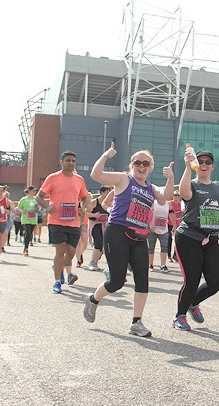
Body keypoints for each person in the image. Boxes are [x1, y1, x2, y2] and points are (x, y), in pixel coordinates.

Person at [83, 142, 174, 337]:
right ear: (132, 165)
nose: (142, 166)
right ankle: (93, 299)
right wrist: (106, 155)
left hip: (139, 237)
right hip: (117, 233)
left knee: (143, 281)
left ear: (150, 167)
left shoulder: (151, 188)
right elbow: (96, 175)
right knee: (116, 282)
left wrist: (170, 177)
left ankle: (136, 322)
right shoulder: (124, 179)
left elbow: (164, 198)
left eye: (146, 163)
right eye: (138, 162)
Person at [172, 149, 219, 330]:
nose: (204, 164)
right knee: (192, 279)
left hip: (210, 239)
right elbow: (185, 193)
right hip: (189, 237)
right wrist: (188, 166)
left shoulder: (218, 187)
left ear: (212, 166)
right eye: (201, 161)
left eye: (207, 162)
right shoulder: (193, 184)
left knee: (216, 280)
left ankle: (193, 303)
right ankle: (179, 316)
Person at [36, 151, 89, 294]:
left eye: (73, 161)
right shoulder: (53, 178)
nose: (71, 163)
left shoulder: (79, 180)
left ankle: (58, 267)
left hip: (73, 221)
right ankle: (57, 281)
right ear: (61, 162)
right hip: (56, 221)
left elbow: (85, 198)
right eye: (68, 160)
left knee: (71, 252)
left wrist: (82, 208)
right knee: (60, 250)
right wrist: (47, 207)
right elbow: (39, 197)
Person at [85, 186, 111, 270]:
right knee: (98, 242)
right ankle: (92, 262)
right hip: (94, 224)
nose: (108, 195)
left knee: (103, 244)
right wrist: (94, 215)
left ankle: (96, 261)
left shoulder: (109, 203)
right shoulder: (94, 202)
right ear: (102, 193)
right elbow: (86, 212)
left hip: (104, 224)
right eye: (107, 193)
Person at [148, 197, 171, 272]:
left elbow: (172, 213)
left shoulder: (168, 204)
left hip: (164, 229)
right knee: (151, 248)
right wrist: (151, 224)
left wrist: (174, 225)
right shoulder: (153, 203)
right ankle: (150, 265)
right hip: (153, 229)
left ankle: (163, 265)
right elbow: (149, 213)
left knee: (164, 247)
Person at [17, 185, 39, 256]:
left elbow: (39, 208)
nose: (34, 192)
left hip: (33, 218)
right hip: (25, 218)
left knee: (30, 234)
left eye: (35, 191)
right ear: (29, 191)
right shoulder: (24, 199)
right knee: (28, 232)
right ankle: (26, 249)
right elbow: (18, 207)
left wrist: (38, 207)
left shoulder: (36, 199)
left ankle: (26, 244)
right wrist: (22, 211)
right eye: (33, 190)